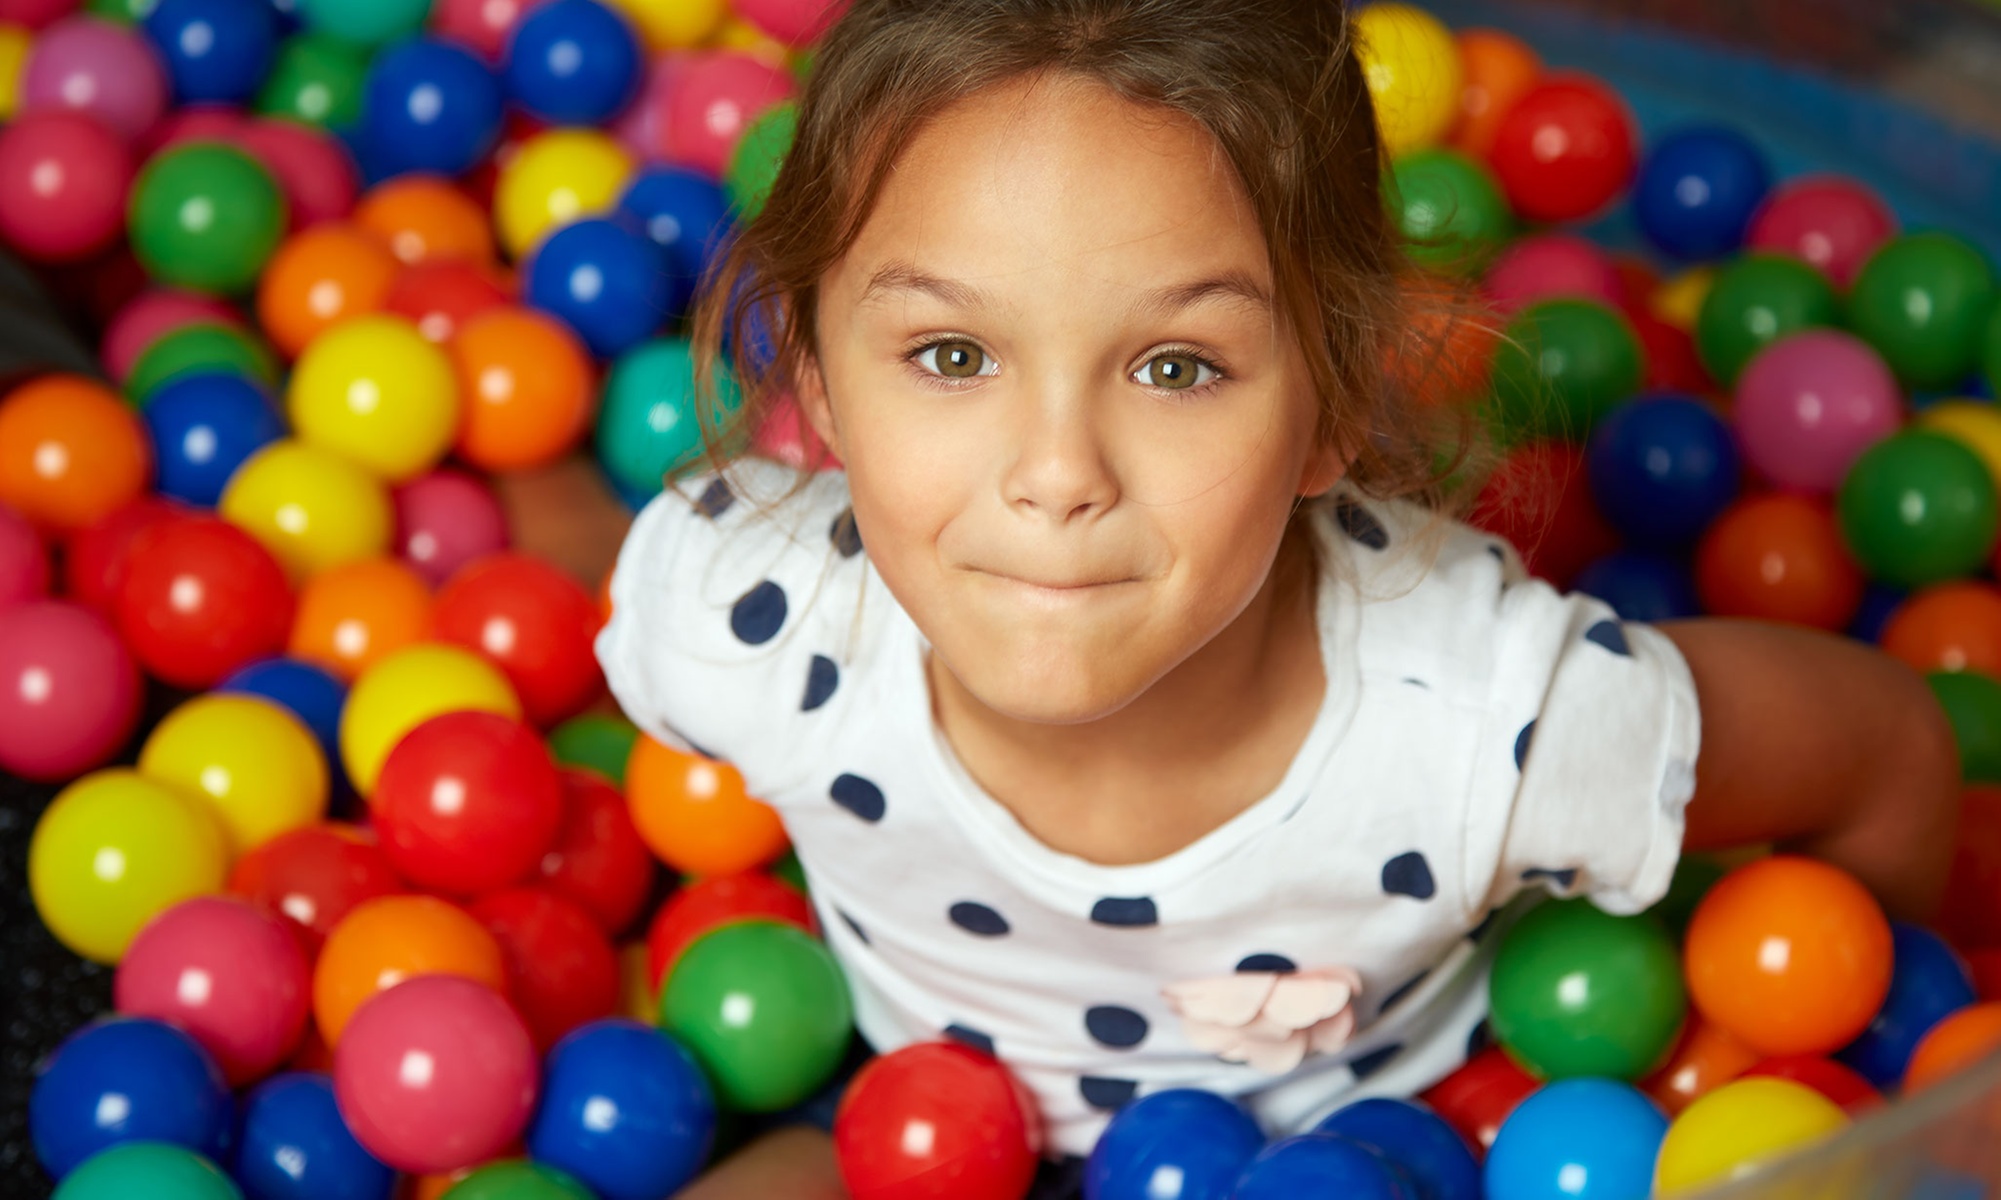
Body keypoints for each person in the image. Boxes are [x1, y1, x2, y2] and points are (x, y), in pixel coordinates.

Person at [595, 0, 1958, 1194]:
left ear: (1329, 409)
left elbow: (1885, 742)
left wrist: (1893, 1042)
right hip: (890, 1117)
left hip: (1414, 1142)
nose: (1056, 475)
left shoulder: (1490, 727)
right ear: (819, 392)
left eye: (1177, 367)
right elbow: (559, 536)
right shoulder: (737, 624)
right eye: (950, 354)